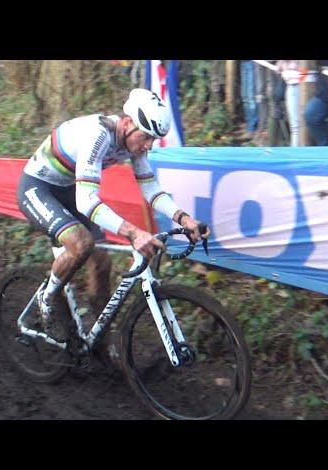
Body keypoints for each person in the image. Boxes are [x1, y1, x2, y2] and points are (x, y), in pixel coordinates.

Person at [17, 88, 211, 327]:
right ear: (128, 123)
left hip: (67, 190)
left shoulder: (133, 142)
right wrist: (134, 232)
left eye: (153, 139)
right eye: (146, 137)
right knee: (82, 244)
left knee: (101, 265)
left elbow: (150, 189)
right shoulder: (98, 135)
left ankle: (98, 344)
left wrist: (184, 219)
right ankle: (46, 298)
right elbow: (86, 201)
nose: (149, 146)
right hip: (38, 188)